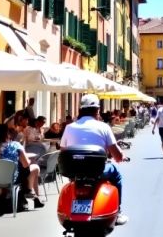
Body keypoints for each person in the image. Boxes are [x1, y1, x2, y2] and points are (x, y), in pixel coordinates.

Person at [61, 94, 128, 226]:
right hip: (98, 171)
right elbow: (117, 155)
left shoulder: (69, 127)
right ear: (97, 110)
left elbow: (63, 150)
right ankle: (118, 212)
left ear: (81, 110)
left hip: (74, 172)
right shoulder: (103, 127)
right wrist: (121, 157)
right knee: (117, 176)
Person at [0, 123, 44, 210]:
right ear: (7, 134)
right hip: (13, 178)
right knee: (34, 168)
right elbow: (26, 164)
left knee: (20, 170)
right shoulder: (15, 145)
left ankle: (22, 192)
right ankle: (31, 192)